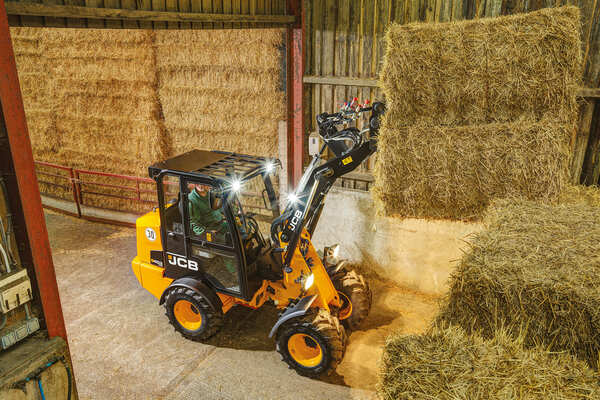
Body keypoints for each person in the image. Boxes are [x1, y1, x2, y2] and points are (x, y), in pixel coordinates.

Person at [187, 184, 237, 277]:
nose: (201, 185)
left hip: (219, 224)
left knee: (237, 228)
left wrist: (234, 211)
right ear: (194, 184)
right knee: (226, 244)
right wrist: (206, 232)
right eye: (198, 183)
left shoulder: (211, 194)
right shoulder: (191, 200)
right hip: (208, 230)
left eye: (203, 183)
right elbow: (193, 222)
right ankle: (234, 273)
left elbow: (220, 206)